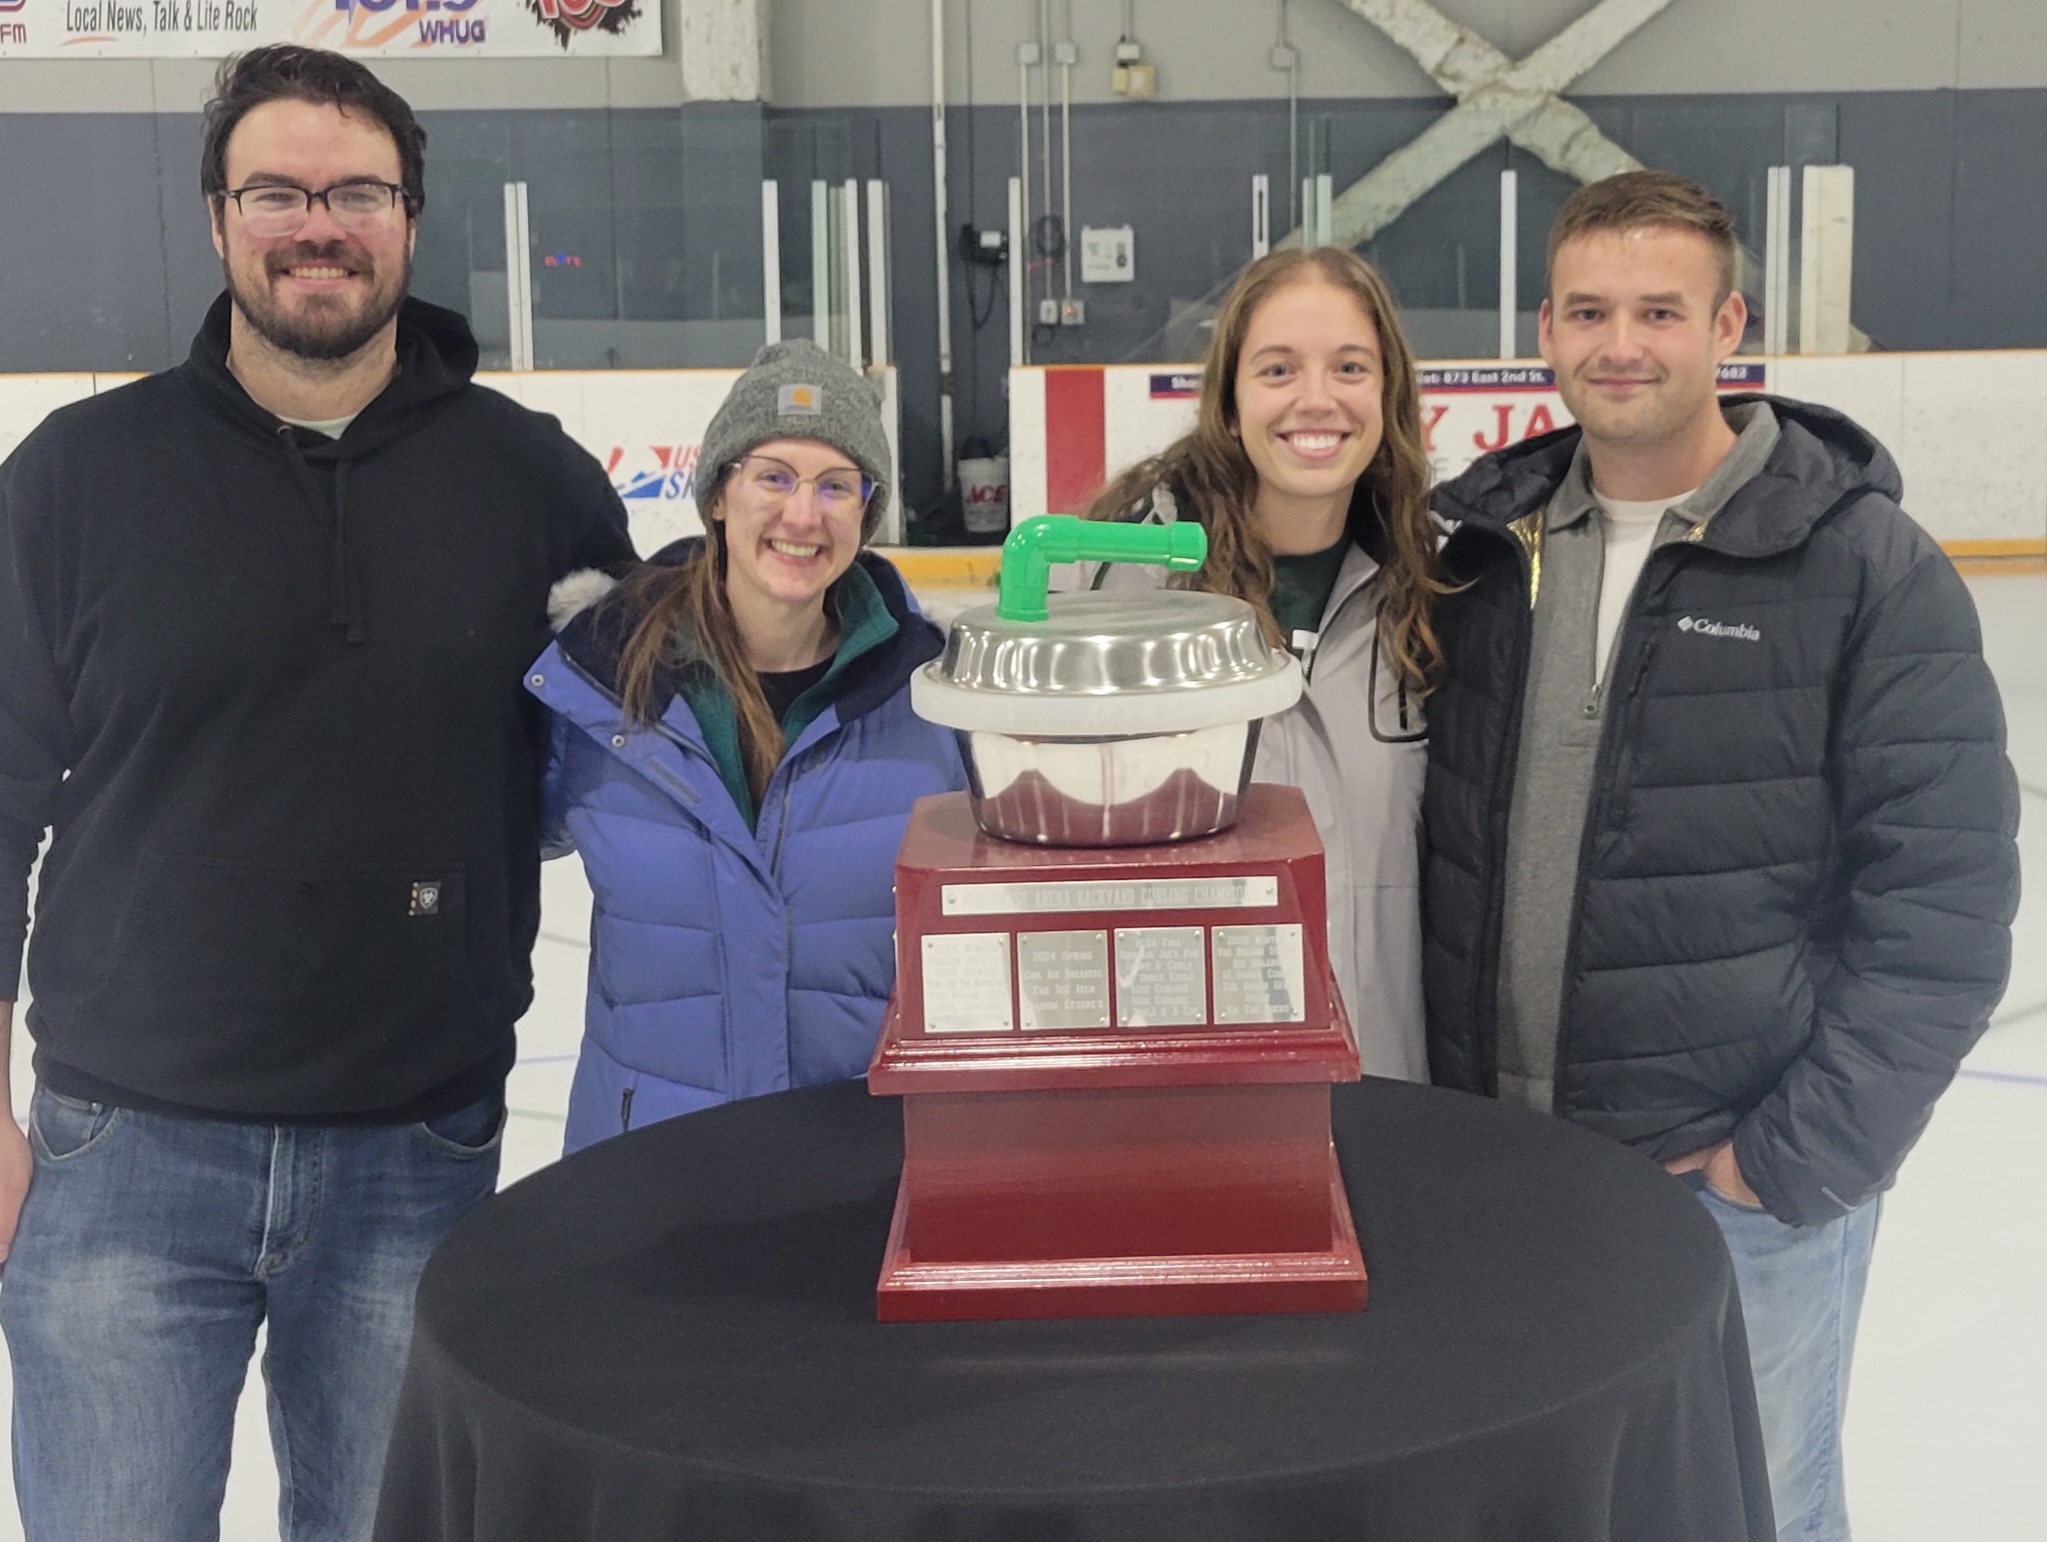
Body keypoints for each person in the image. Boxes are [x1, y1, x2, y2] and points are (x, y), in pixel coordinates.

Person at [0, 45, 634, 1542]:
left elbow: (639, 771)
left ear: (408, 216)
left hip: (417, 1156)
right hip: (122, 1152)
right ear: (218, 218)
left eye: (356, 192)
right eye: (277, 192)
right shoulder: (76, 475)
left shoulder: (535, 480)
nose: (318, 226)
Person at [1421, 170, 2019, 1541]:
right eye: (1587, 311)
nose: (1618, 343)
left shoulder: (1863, 567)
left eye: (1658, 310)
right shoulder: (1482, 553)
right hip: (1506, 1172)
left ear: (1726, 325)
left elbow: (1943, 907)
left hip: (1729, 1186)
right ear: (1544, 328)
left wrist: (1787, 1162)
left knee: (1748, 1510)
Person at [529, 340, 965, 1153]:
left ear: (865, 514)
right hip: (648, 1165)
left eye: (836, 485)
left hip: (859, 1163)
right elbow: (489, 841)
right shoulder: (600, 680)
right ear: (718, 495)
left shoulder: (936, 697)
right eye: (773, 476)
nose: (802, 515)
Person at [1078, 246, 1451, 1079]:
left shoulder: (1437, 584)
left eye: (1349, 367)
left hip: (1388, 1086)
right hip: (1191, 1097)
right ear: (1230, 399)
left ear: (1386, 392)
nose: (1316, 399)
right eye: (1278, 369)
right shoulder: (1125, 584)